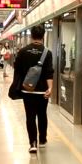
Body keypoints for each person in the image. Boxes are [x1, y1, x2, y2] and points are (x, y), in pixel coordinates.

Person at [14, 25, 54, 153]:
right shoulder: (47, 52)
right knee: (42, 114)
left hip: (27, 90)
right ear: (43, 36)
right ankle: (42, 139)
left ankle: (33, 143)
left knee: (30, 116)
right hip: (42, 90)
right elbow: (49, 72)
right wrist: (50, 88)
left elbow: (17, 69)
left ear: (31, 36)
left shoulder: (23, 51)